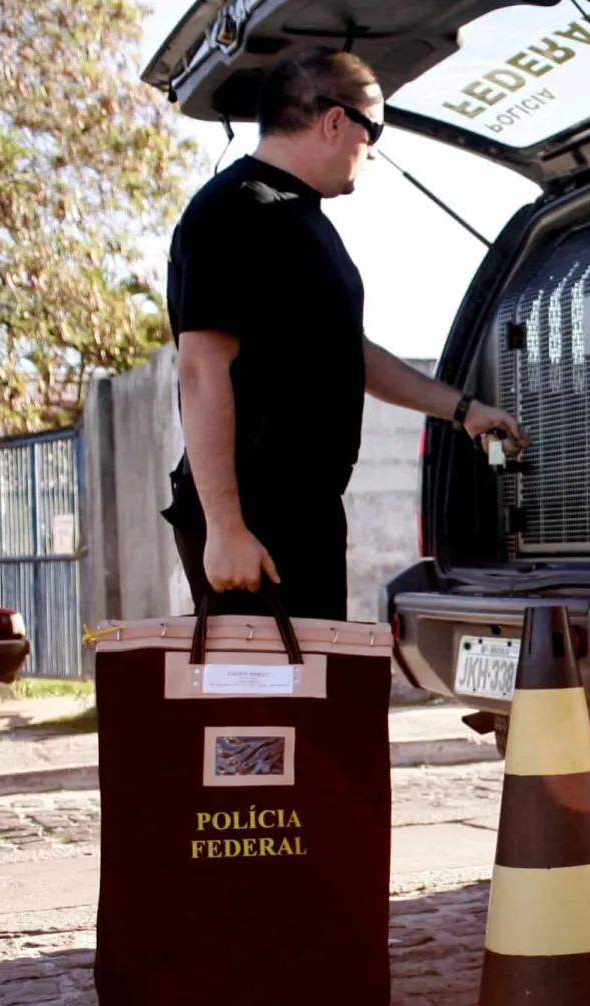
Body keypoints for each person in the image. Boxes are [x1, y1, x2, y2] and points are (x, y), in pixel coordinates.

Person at [163, 47, 523, 621]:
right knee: (269, 682)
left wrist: (464, 410)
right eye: (371, 130)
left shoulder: (300, 218)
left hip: (302, 509)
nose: (372, 150)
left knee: (315, 678)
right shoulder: (237, 210)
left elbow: (349, 353)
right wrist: (226, 527)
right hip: (256, 515)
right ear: (334, 120)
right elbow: (201, 368)